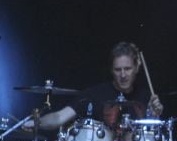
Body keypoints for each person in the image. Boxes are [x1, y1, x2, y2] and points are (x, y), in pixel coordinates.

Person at [30, 41, 163, 131]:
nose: (123, 75)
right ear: (111, 70)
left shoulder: (146, 96)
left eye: (127, 69)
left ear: (136, 68)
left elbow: (151, 139)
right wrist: (34, 123)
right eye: (118, 70)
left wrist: (154, 116)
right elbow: (59, 117)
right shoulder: (94, 94)